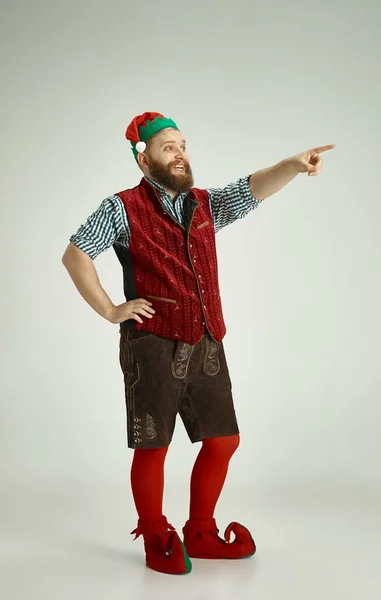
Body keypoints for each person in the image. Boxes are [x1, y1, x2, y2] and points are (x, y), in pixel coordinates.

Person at [62, 111, 335, 575]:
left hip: (207, 340)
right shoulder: (120, 207)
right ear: (142, 157)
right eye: (168, 147)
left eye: (183, 145)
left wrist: (291, 165)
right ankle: (154, 535)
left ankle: (201, 531)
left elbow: (251, 189)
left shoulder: (205, 203)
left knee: (224, 440)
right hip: (153, 342)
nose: (181, 153)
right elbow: (75, 254)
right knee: (154, 445)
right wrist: (111, 310)